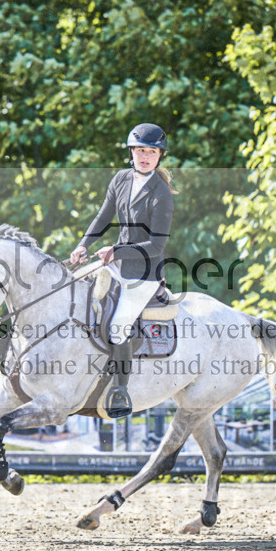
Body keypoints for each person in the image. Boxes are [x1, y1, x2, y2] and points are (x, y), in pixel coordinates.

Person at [69, 123, 177, 418]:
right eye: (141, 150)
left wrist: (116, 251)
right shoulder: (120, 179)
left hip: (144, 274)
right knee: (77, 297)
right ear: (132, 152)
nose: (145, 157)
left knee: (118, 327)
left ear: (159, 156)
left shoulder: (162, 194)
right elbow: (103, 217)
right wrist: (82, 245)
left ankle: (120, 390)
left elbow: (156, 245)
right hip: (117, 265)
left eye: (151, 152)